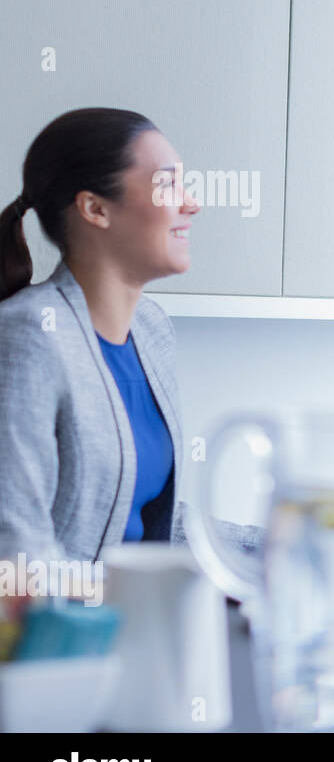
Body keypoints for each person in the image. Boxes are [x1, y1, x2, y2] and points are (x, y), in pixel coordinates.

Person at [0, 108, 200, 562]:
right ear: (95, 208)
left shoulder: (151, 330)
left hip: (132, 619)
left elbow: (143, 517)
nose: (191, 202)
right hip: (62, 629)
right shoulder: (26, 338)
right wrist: (119, 598)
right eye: (168, 183)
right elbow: (14, 558)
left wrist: (277, 540)